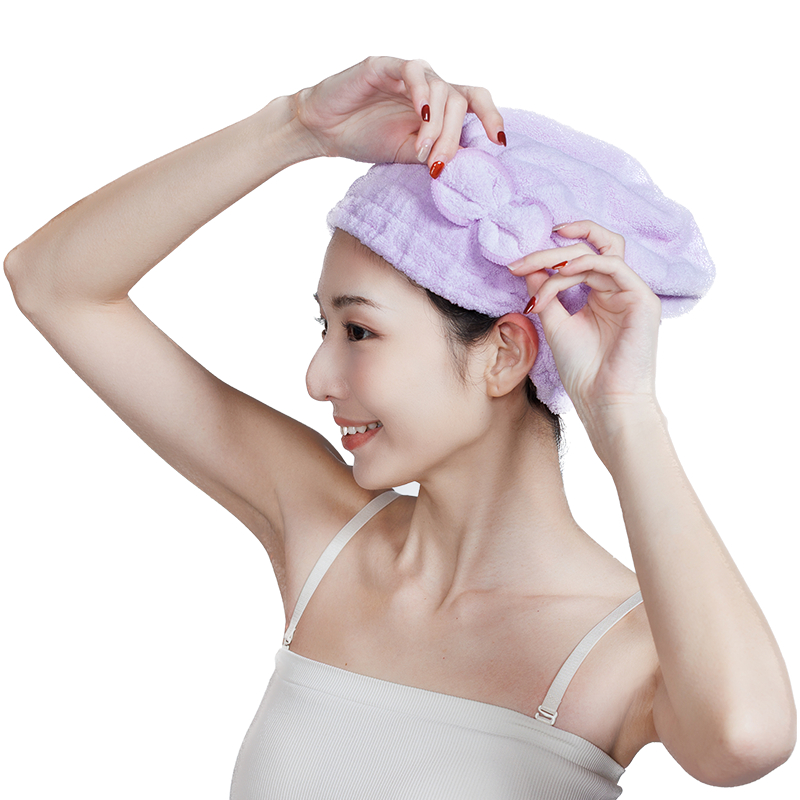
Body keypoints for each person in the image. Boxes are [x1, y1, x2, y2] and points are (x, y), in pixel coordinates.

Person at [4, 56, 795, 798]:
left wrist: (625, 415)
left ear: (504, 354)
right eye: (324, 327)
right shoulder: (325, 536)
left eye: (359, 331)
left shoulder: (629, 647)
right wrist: (295, 128)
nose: (317, 379)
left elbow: (747, 739)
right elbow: (51, 282)